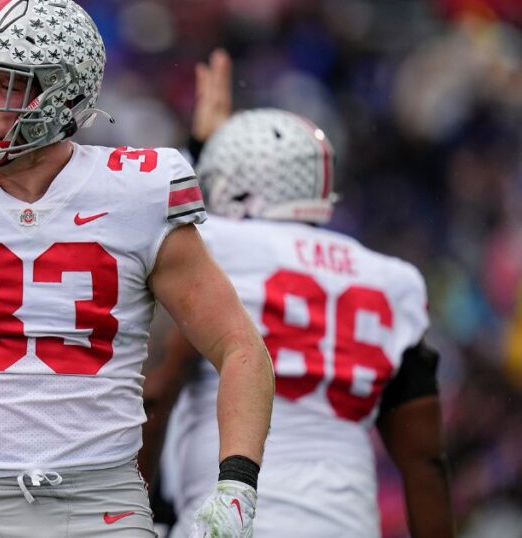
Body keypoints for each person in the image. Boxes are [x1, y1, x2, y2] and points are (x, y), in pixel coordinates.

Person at [0, 2, 275, 537]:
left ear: (62, 93)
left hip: (103, 502)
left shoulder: (138, 193)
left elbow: (240, 346)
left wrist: (236, 486)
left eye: (2, 85)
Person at [149, 51, 455, 538]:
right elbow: (425, 463)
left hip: (229, 519)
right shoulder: (391, 278)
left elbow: (156, 391)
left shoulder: (213, 247)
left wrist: (130, 514)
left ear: (227, 187)